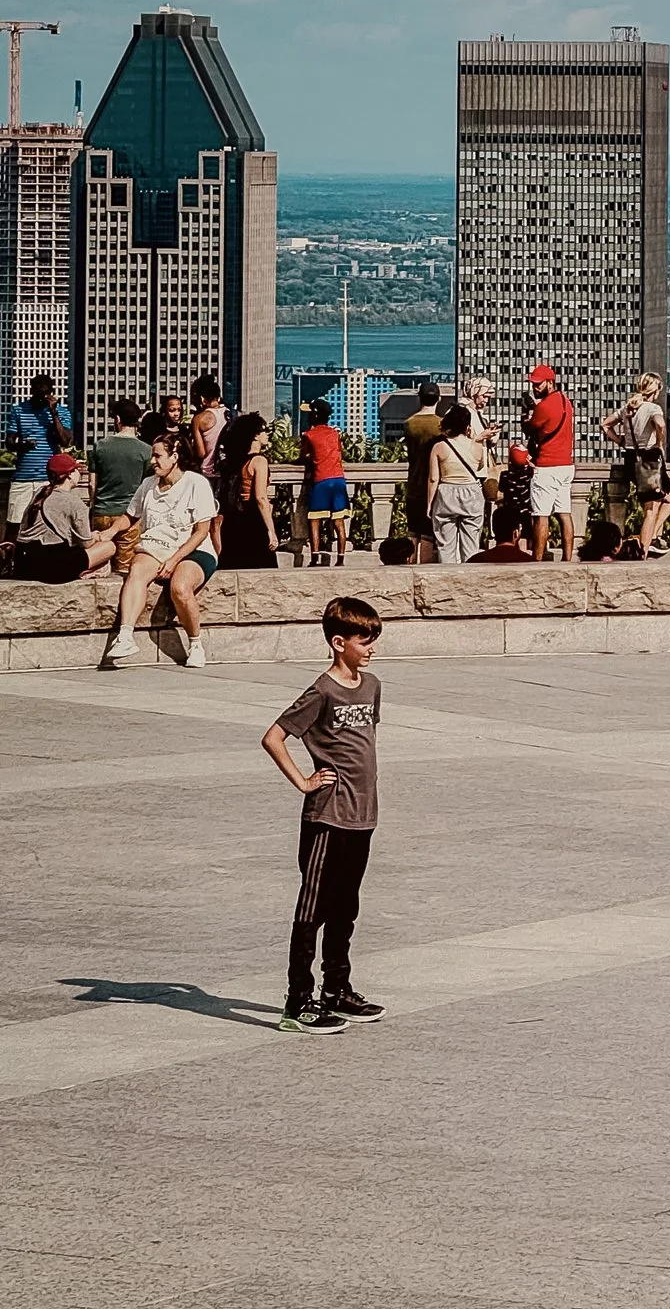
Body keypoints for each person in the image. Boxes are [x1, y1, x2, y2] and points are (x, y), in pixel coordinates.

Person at [260, 595, 387, 1035]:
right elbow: (274, 736)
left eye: (373, 639)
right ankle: (298, 1001)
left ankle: (337, 988)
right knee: (312, 908)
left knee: (346, 906)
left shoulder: (370, 686)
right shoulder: (321, 690)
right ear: (338, 642)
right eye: (363, 639)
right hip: (327, 817)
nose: (370, 647)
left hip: (362, 815)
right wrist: (303, 781)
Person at [105, 432, 218, 668]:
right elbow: (130, 515)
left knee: (180, 586)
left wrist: (175, 559)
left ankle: (195, 644)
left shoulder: (196, 483)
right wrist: (109, 532)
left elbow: (201, 531)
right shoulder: (148, 485)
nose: (153, 461)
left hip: (193, 549)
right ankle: (125, 635)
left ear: (174, 456)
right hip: (156, 546)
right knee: (136, 572)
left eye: (158, 456)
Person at [602, 372, 670, 558]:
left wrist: (621, 441)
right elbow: (660, 424)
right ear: (657, 390)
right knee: (650, 509)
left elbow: (605, 425)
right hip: (649, 460)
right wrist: (660, 441)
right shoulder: (653, 408)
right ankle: (643, 550)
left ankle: (652, 534)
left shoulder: (628, 408)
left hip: (631, 459)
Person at [13, 453, 118, 582]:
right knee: (109, 546)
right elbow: (86, 543)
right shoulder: (73, 502)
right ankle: (87, 570)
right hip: (52, 565)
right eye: (77, 470)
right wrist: (95, 536)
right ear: (70, 474)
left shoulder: (39, 494)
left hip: (23, 562)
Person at [87, 399, 150, 575]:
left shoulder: (100, 446)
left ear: (117, 419)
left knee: (98, 567)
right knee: (125, 570)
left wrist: (94, 506)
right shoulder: (146, 450)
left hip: (101, 512)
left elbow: (92, 484)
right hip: (130, 516)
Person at [7, 373, 72, 535]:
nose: (40, 397)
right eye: (37, 393)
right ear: (31, 391)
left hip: (49, 478)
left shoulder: (62, 412)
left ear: (51, 393)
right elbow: (9, 443)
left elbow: (65, 441)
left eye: (44, 393)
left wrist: (53, 413)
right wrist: (22, 445)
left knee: (47, 523)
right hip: (23, 477)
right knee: (14, 523)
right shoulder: (18, 410)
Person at [215, 412, 280, 570]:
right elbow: (261, 498)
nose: (267, 434)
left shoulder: (232, 462)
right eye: (265, 430)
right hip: (253, 520)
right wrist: (271, 531)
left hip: (232, 521)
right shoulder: (259, 461)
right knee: (261, 569)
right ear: (255, 435)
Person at [524, 364, 576, 561]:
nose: (535, 388)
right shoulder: (566, 402)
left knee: (541, 514)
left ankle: (537, 559)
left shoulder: (544, 406)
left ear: (550, 382)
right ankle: (568, 558)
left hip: (547, 465)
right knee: (564, 512)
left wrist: (526, 419)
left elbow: (531, 429)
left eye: (538, 384)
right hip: (566, 464)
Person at [427, 403, 487, 564]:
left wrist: (429, 504)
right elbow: (480, 468)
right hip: (471, 492)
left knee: (445, 545)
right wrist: (473, 437)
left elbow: (433, 479)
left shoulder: (439, 447)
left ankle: (446, 578)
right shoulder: (477, 447)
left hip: (447, 491)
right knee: (471, 545)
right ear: (467, 426)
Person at [300, 398, 351, 567]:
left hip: (321, 479)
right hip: (338, 479)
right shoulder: (335, 433)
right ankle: (341, 559)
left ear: (314, 416)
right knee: (338, 521)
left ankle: (314, 558)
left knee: (315, 520)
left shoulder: (308, 435)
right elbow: (339, 452)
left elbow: (304, 457)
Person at [402, 382, 444, 564]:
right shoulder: (441, 425)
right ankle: (424, 569)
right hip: (434, 484)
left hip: (414, 481)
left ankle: (410, 565)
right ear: (439, 398)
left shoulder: (409, 424)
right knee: (428, 535)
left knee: (413, 532)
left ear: (419, 397)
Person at [189, 374, 228, 483]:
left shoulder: (199, 419)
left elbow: (201, 453)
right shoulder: (233, 415)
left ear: (202, 398)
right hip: (227, 473)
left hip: (207, 473)